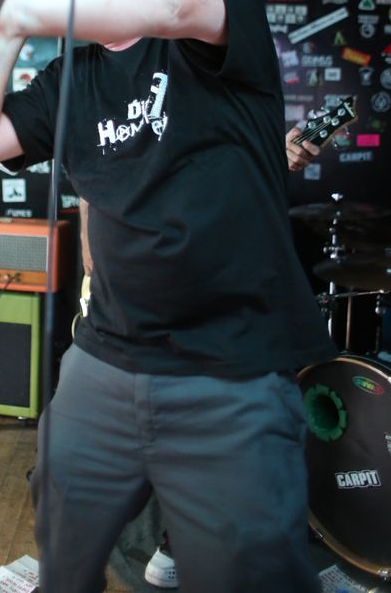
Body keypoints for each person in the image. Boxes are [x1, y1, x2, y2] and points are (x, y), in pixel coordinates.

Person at [0, 0, 336, 593]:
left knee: (246, 571)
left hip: (230, 369)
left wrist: (25, 5)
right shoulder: (71, 77)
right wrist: (9, 32)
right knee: (63, 538)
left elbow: (169, 5)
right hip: (103, 360)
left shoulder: (211, 15)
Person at [78, 124, 321, 590]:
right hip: (127, 293)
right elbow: (89, 173)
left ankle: (182, 541)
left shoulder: (225, 106)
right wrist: (92, 251)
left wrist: (275, 152)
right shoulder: (116, 104)